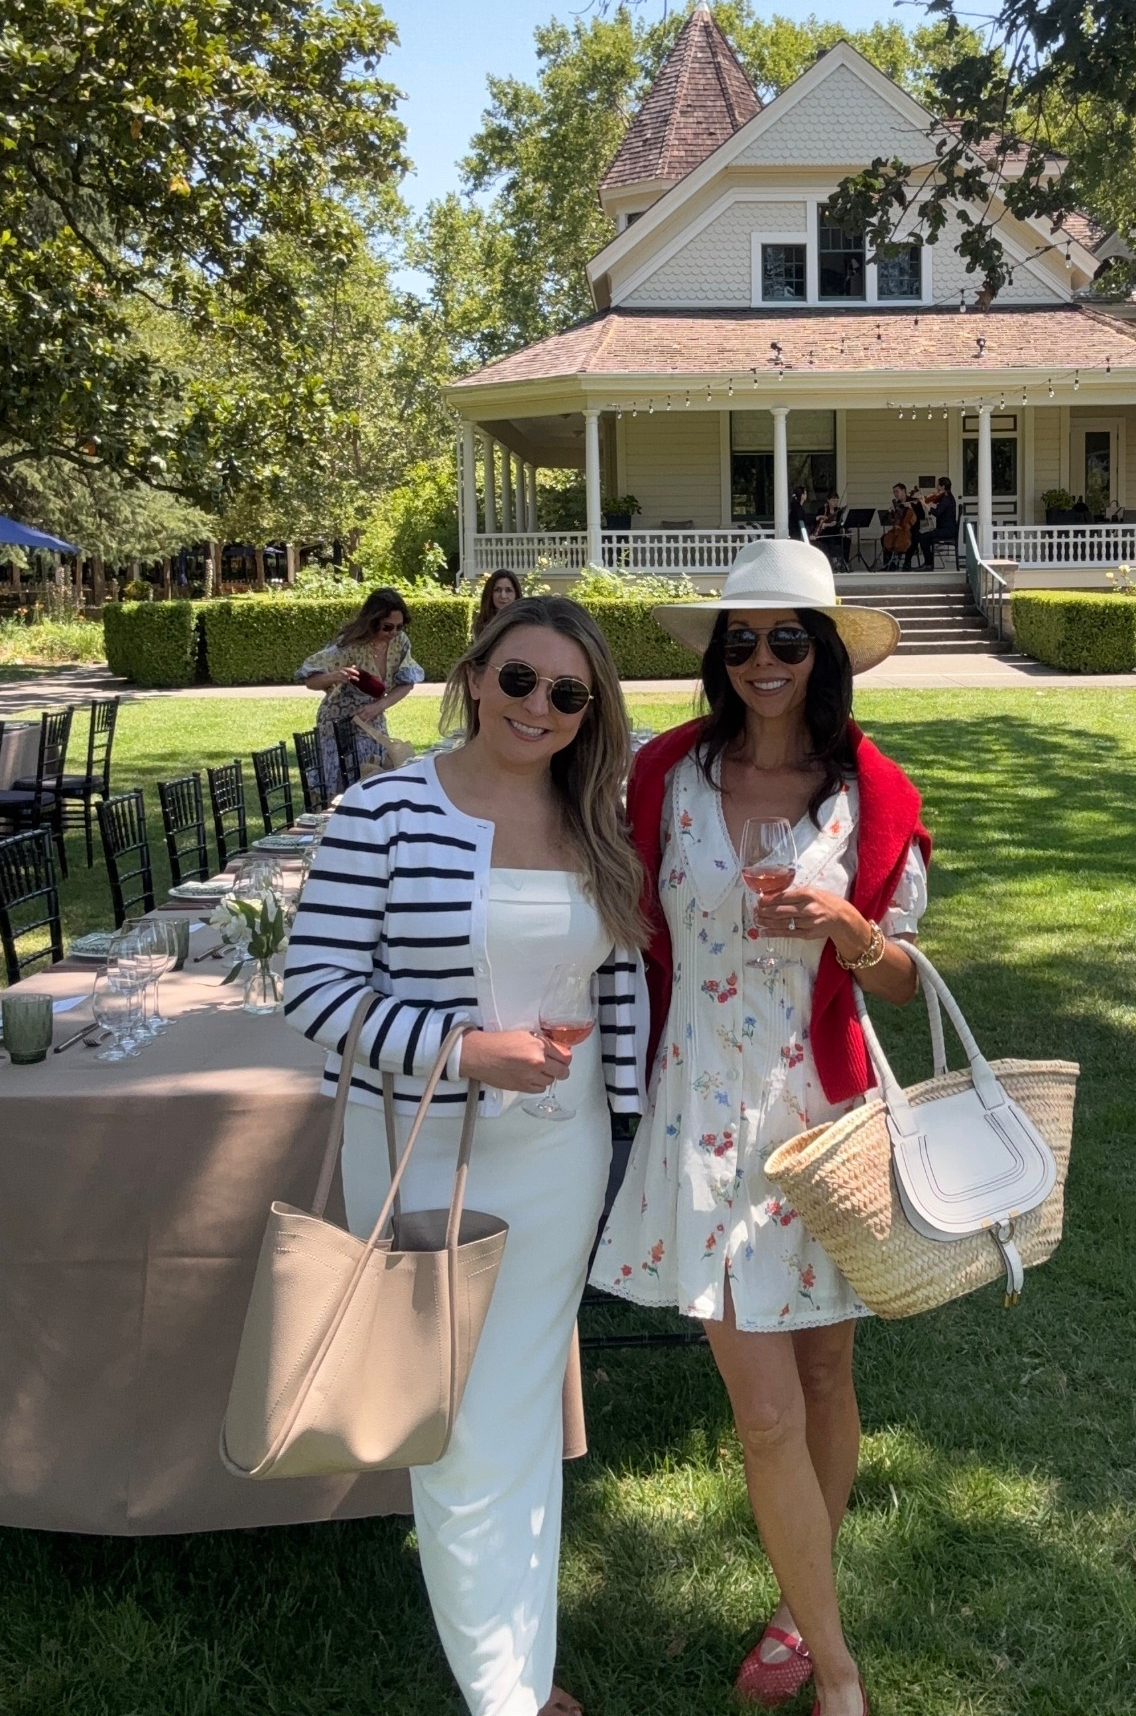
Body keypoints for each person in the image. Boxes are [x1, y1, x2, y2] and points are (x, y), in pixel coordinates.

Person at [284, 597, 646, 1716]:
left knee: (523, 1406)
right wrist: (461, 1048)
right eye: (521, 679)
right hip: (428, 1146)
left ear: (590, 714)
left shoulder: (596, 820)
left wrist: (627, 1120)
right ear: (477, 675)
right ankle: (505, 1693)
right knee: (463, 1427)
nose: (539, 706)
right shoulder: (387, 809)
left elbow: (616, 981)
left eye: (568, 693)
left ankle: (521, 1670)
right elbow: (316, 991)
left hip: (563, 1153)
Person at [593, 539, 929, 1716]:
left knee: (830, 1367)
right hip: (701, 1115)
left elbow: (901, 981)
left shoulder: (871, 792)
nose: (762, 660)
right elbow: (608, 905)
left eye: (788, 638)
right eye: (741, 639)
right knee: (766, 1404)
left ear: (825, 653)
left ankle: (799, 1608)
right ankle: (839, 1672)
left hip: (824, 1115)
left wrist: (848, 922)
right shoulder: (664, 775)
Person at [296, 586, 424, 794]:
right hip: (339, 724)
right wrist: (337, 676)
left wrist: (379, 706)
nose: (393, 633)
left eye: (399, 627)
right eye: (387, 627)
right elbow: (311, 680)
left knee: (375, 781)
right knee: (342, 789)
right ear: (372, 623)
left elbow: (407, 683)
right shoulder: (350, 645)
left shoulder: (400, 643)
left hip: (373, 721)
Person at [921, 476, 959, 569]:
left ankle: (928, 563)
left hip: (947, 530)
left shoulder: (946, 500)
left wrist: (925, 504)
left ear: (943, 487)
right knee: (927, 537)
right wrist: (931, 499)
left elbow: (937, 513)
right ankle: (929, 562)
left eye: (938, 485)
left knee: (923, 537)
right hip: (945, 529)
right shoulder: (947, 497)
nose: (936, 488)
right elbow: (939, 508)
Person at [474, 567, 524, 637]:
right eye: (497, 590)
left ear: (516, 594)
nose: (503, 596)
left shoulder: (524, 623)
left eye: (508, 590)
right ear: (490, 593)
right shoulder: (481, 623)